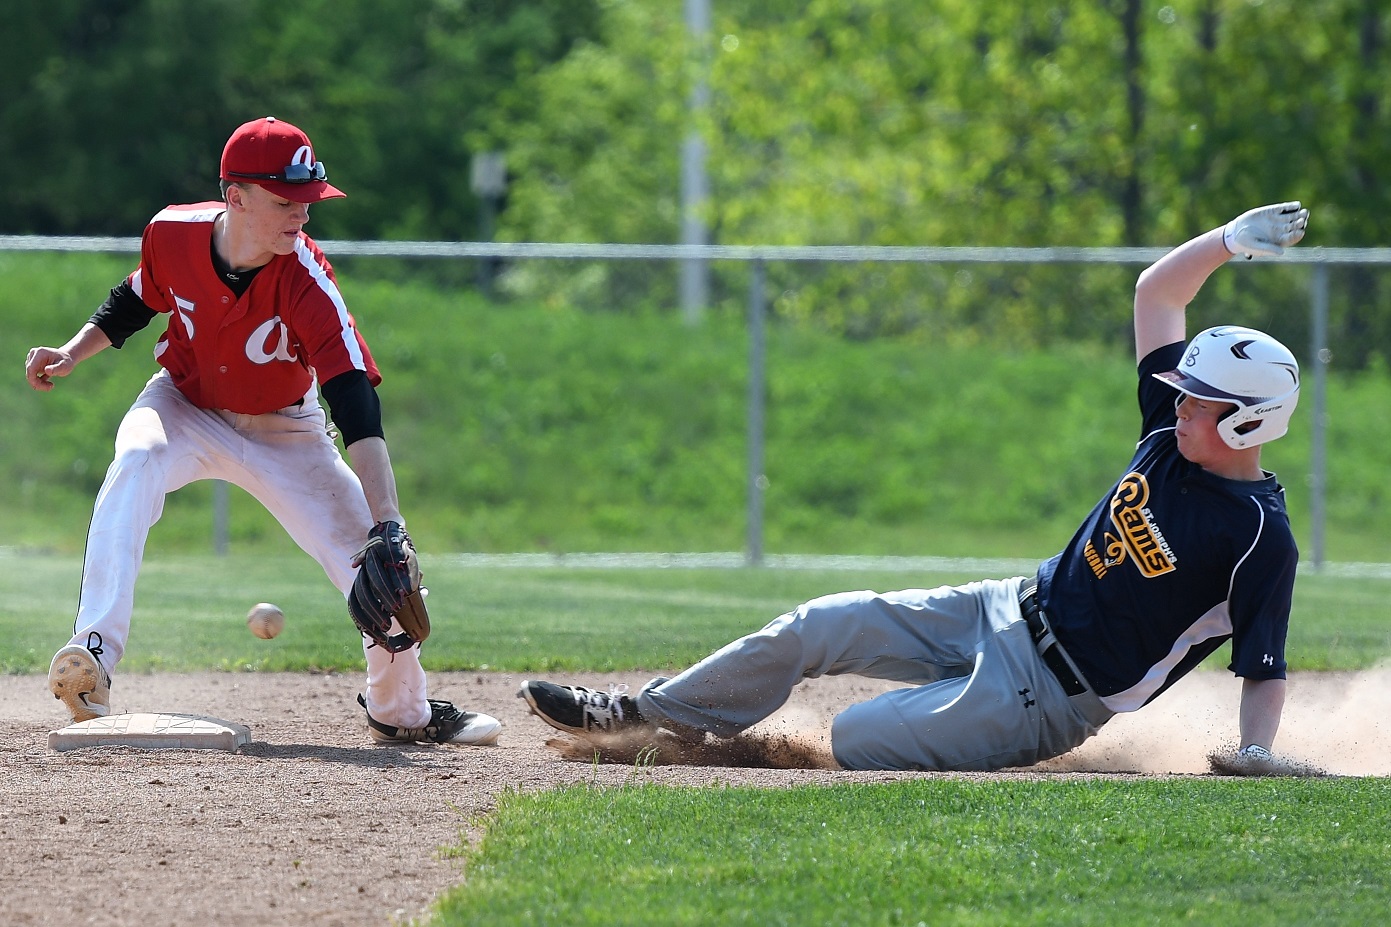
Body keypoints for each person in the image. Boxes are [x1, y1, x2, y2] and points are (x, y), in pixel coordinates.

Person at [519, 202, 1310, 772]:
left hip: (1049, 698)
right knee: (820, 624)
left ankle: (706, 746)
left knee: (857, 738)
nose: (1178, 401)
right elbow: (1155, 294)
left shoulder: (1255, 534)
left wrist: (1252, 754)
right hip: (1004, 604)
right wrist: (1228, 242)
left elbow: (1262, 663)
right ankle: (645, 716)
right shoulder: (1165, 435)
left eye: (1198, 398)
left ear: (1248, 423)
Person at [27, 116, 501, 746]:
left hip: (288, 430)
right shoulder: (173, 233)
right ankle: (91, 660)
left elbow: (353, 399)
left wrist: (388, 521)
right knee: (135, 462)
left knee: (376, 563)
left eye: (309, 201)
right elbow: (137, 298)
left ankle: (401, 711)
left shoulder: (307, 279)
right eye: (286, 201)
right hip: (184, 405)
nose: (301, 216)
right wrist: (72, 350)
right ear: (237, 197)